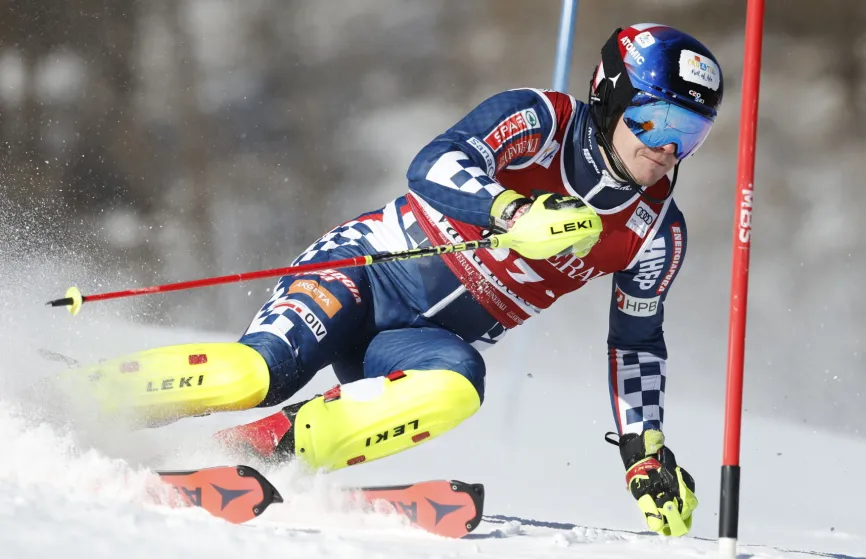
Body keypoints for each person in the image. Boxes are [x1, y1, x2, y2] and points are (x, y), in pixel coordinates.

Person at [83, 23, 723, 536]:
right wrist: (511, 211)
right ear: (611, 98)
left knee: (458, 385)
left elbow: (636, 344)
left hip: (414, 341)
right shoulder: (542, 122)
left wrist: (643, 452)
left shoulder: (656, 231)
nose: (667, 148)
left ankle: (252, 454)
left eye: (689, 134)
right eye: (654, 120)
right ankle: (82, 399)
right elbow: (435, 162)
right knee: (257, 374)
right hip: (364, 272)